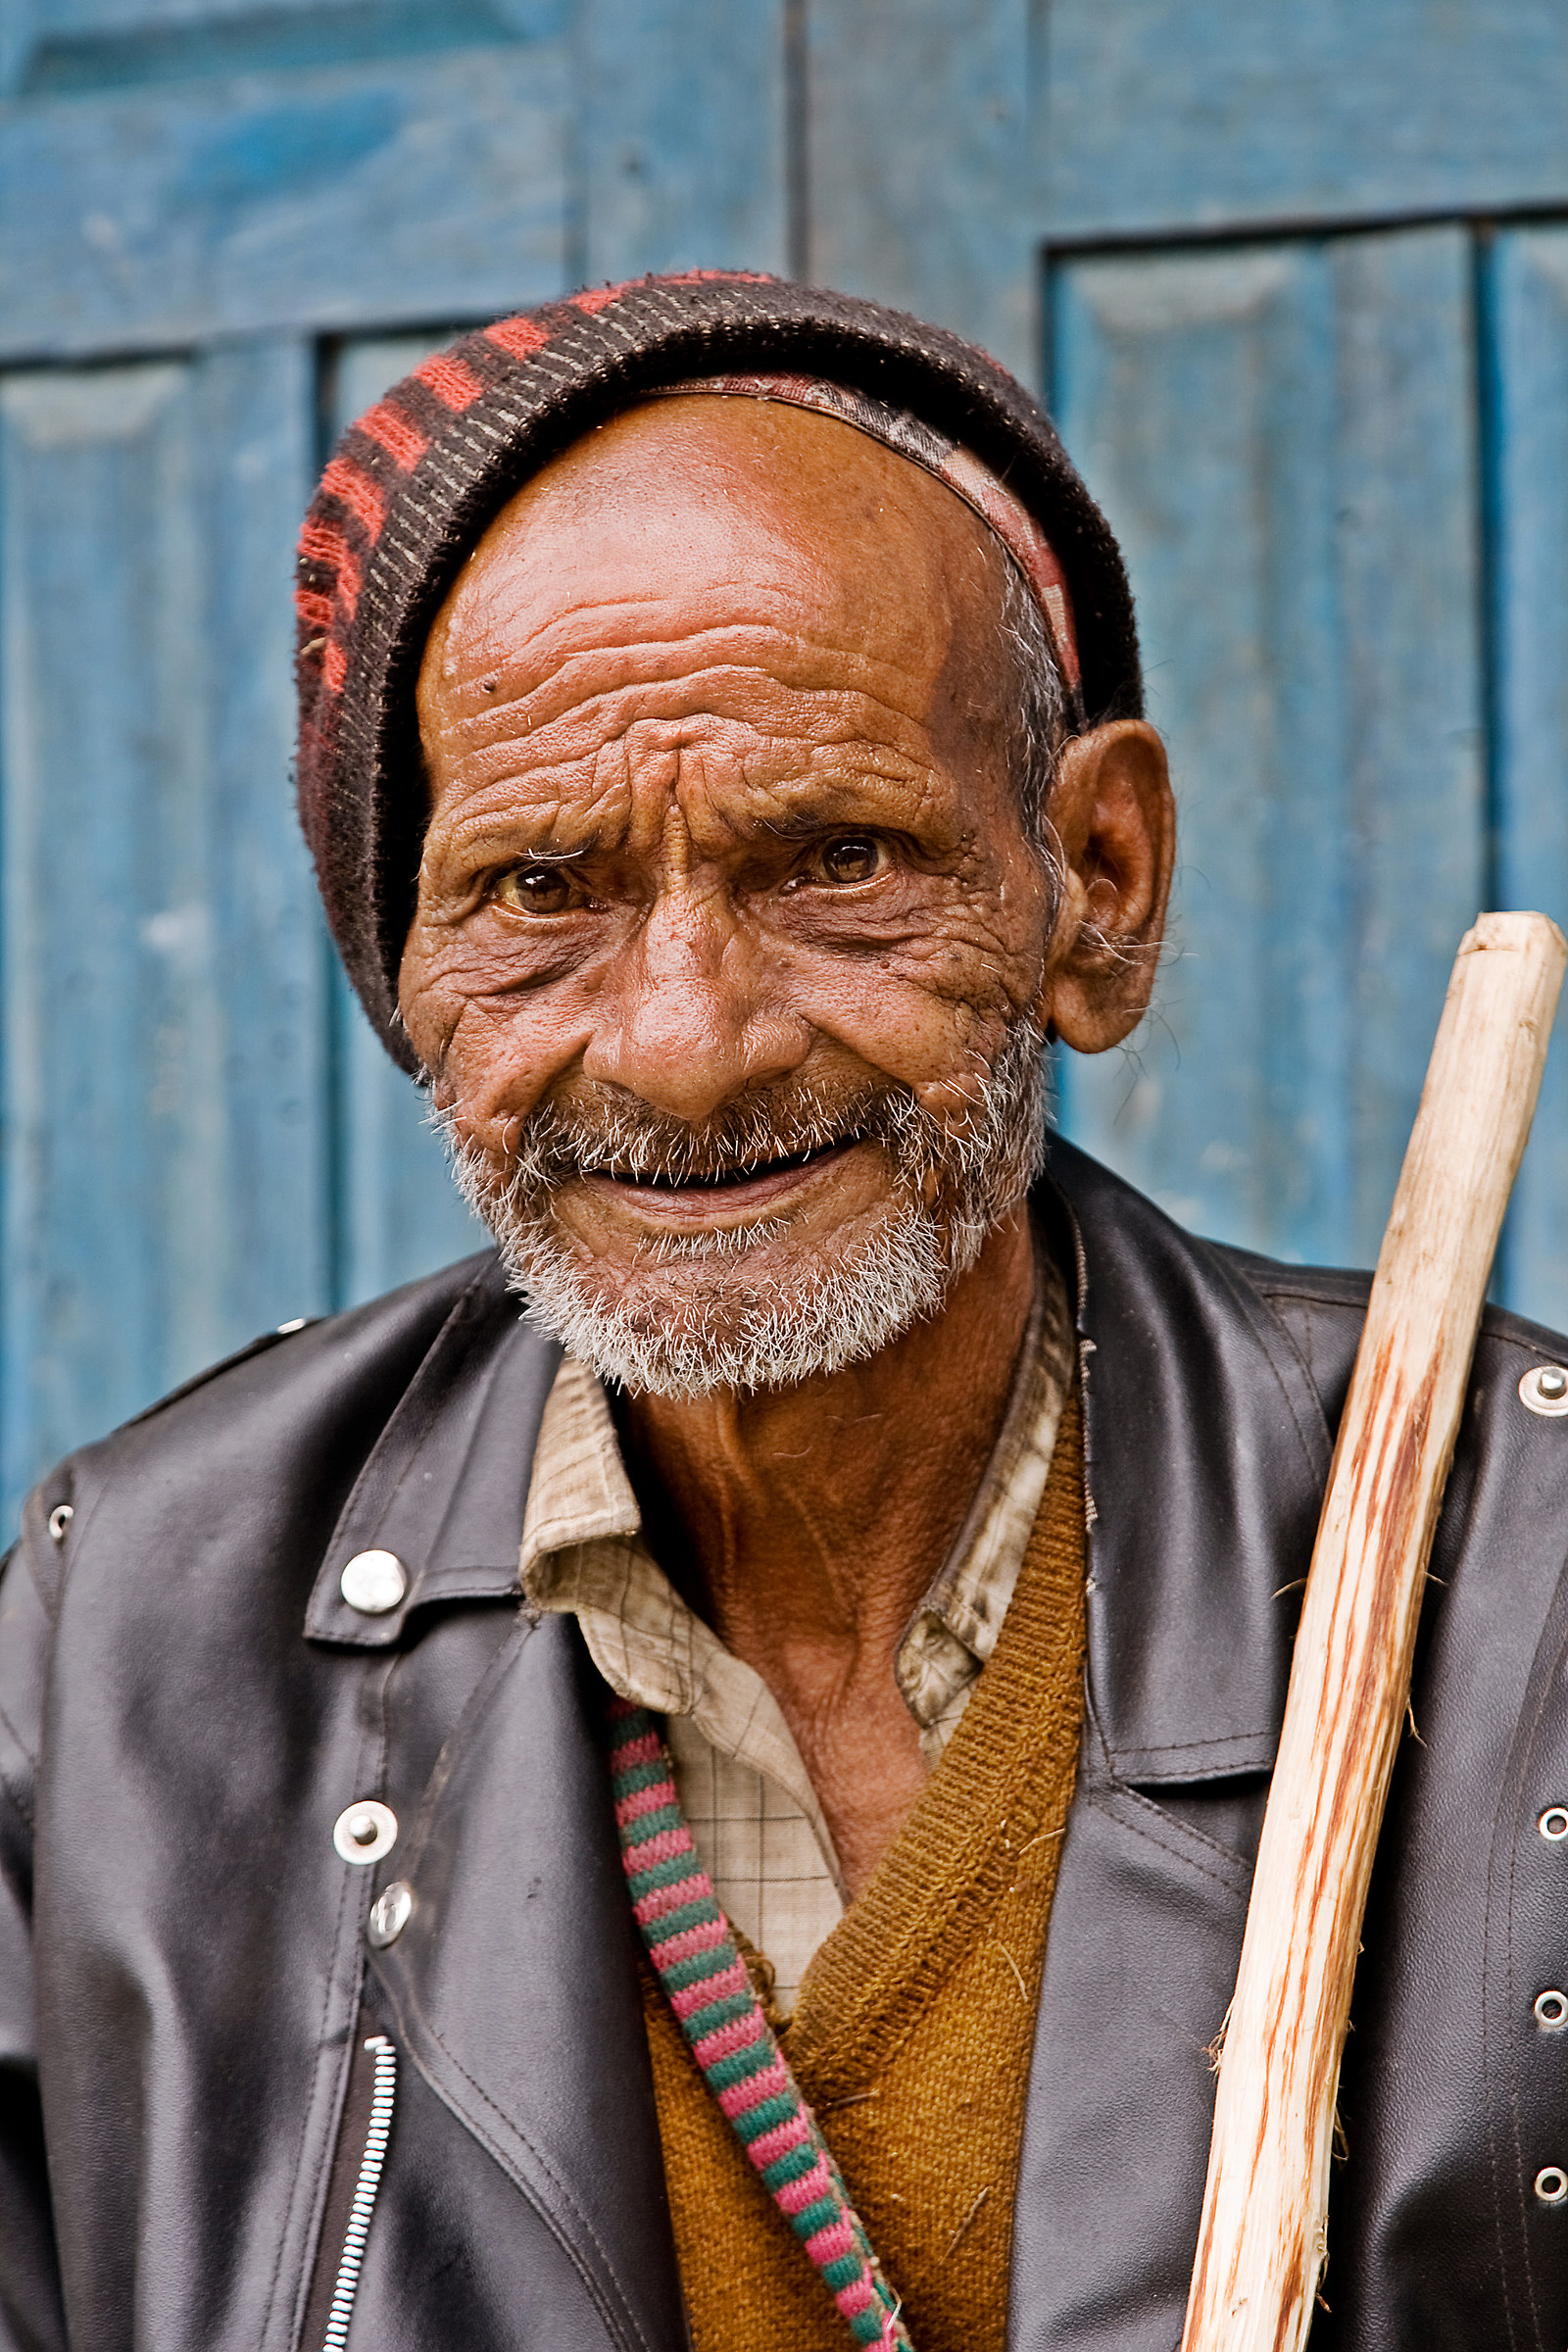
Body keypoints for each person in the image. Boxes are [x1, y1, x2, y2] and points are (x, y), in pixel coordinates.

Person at [2, 272, 1566, 2352]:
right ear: (406, 968)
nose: (683, 1046)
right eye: (538, 893)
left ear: (1094, 884)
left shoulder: (1529, 1584)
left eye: (835, 859)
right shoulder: (131, 1638)